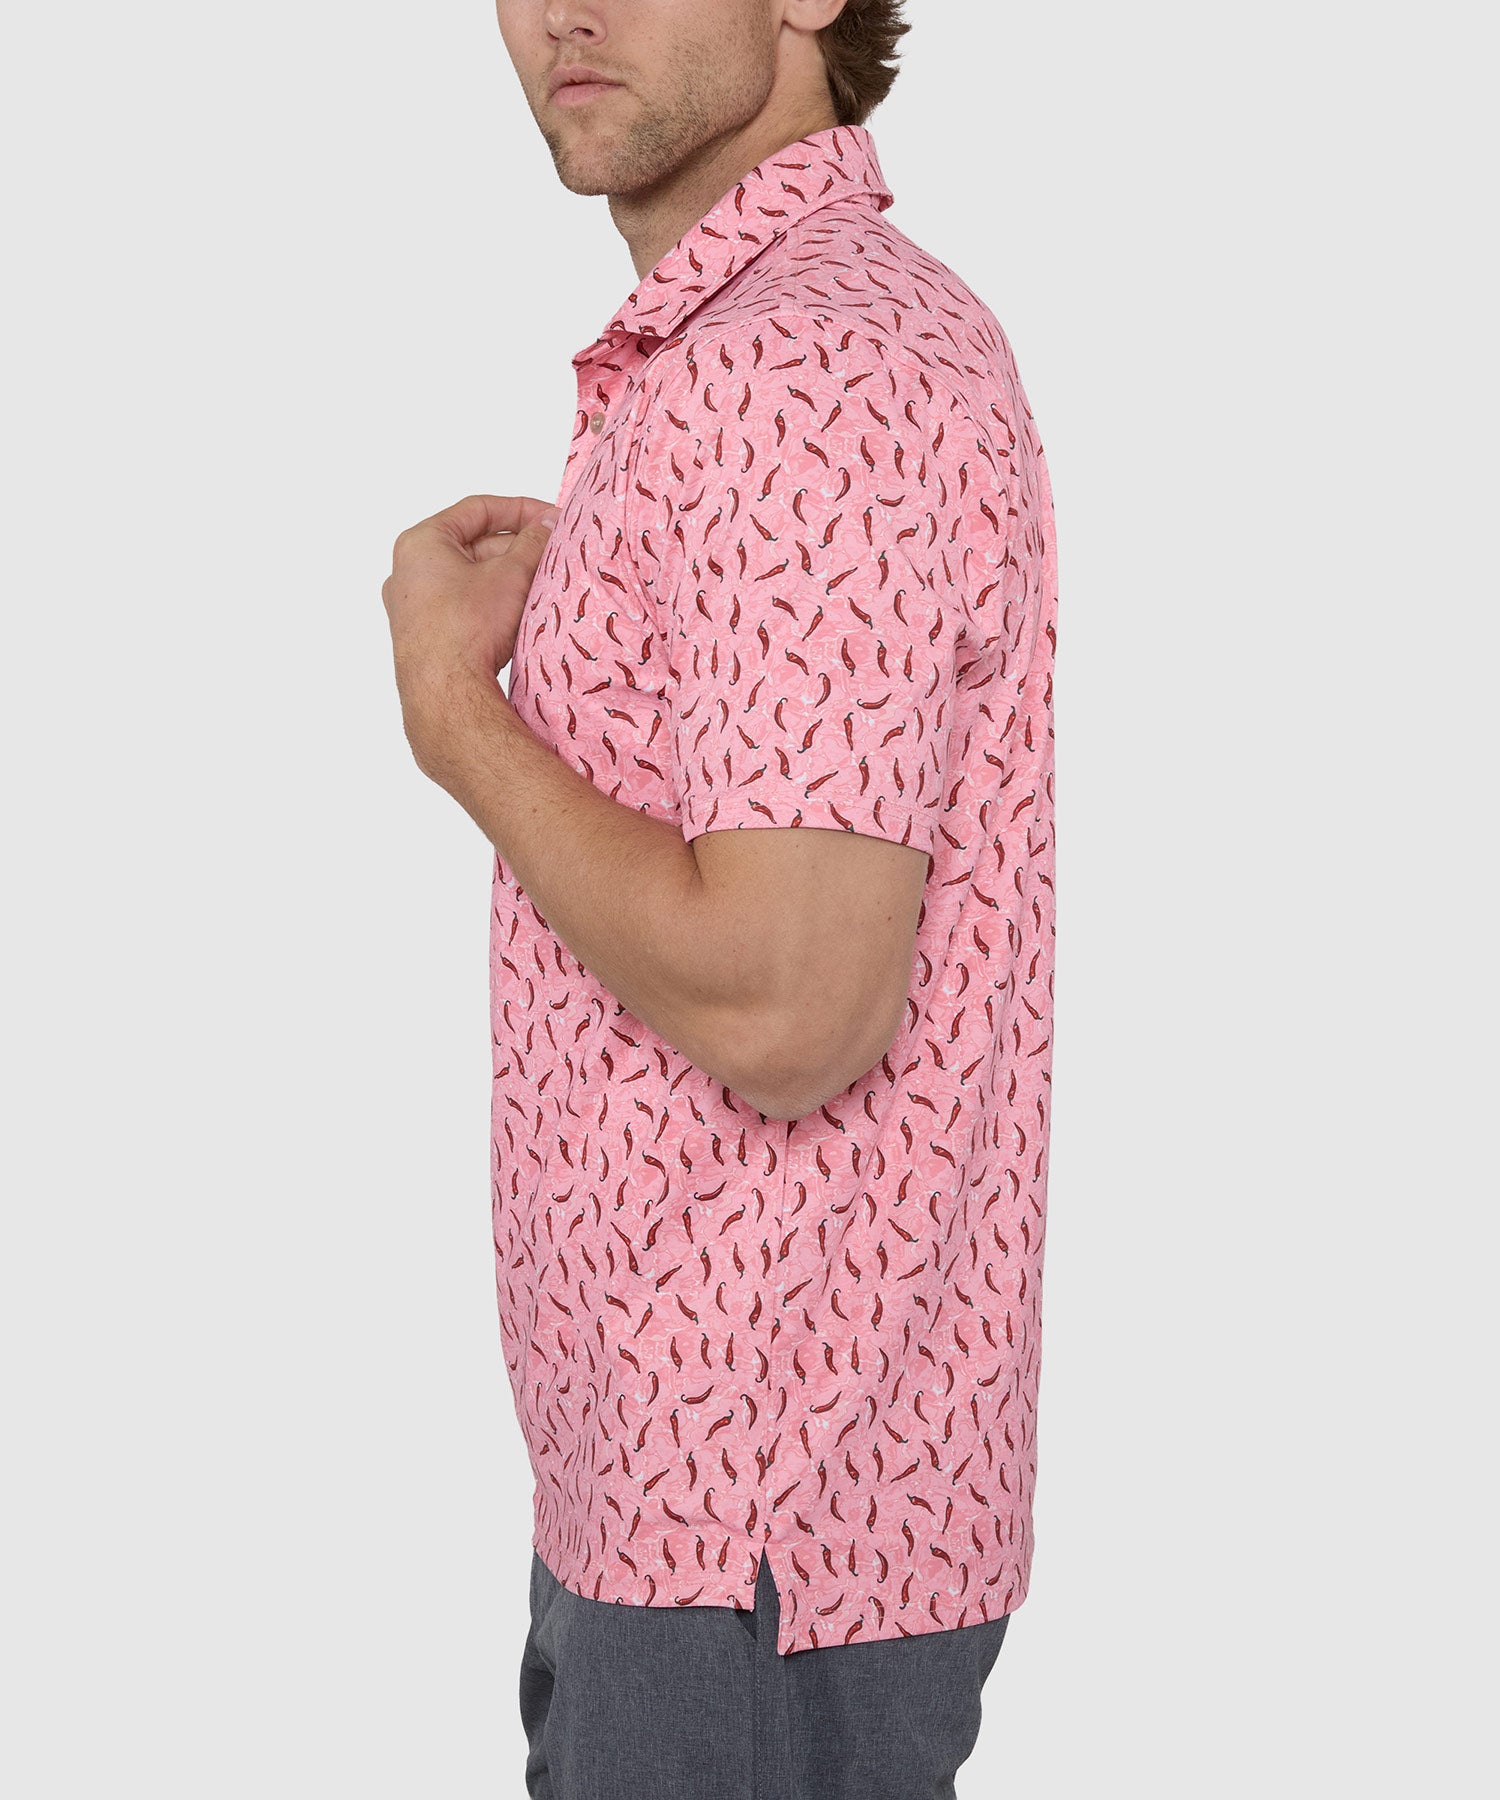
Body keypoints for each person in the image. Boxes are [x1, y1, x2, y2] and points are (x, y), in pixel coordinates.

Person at [380, 3, 1057, 1794]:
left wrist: (458, 718)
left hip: (754, 1537)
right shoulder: (753, 350)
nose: (562, 10)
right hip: (703, 1513)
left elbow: (790, 1005)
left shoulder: (803, 371)